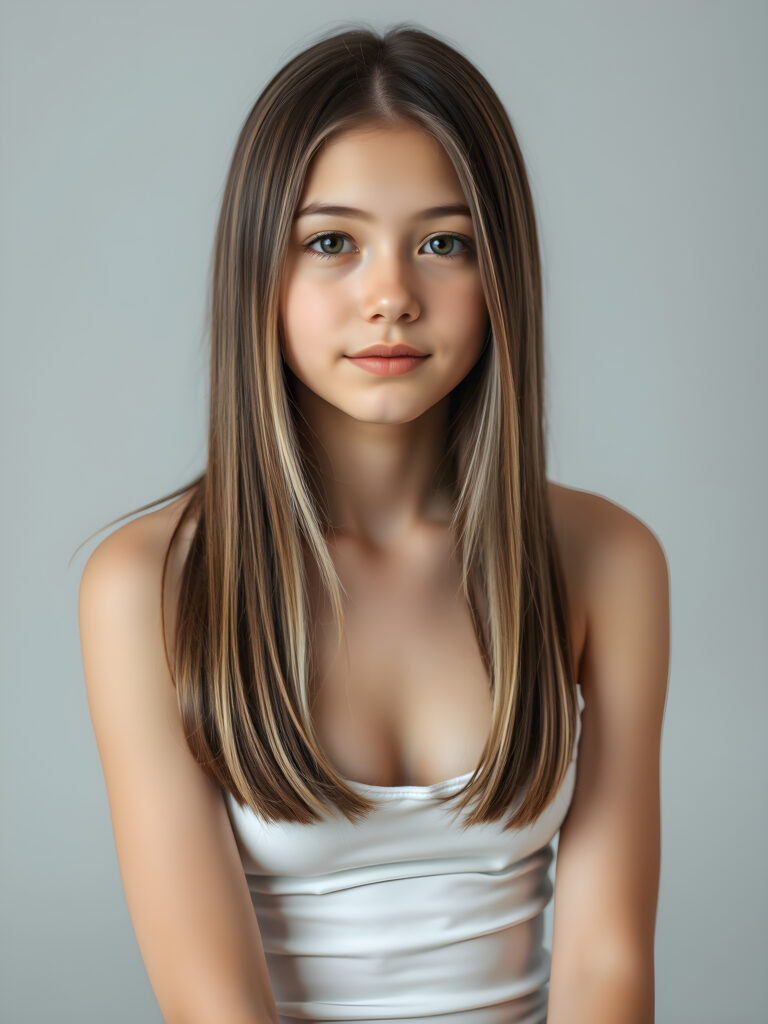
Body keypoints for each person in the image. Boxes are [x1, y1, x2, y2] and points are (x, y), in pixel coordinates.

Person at [77, 23, 670, 1024]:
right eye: (331, 242)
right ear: (258, 271)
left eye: (444, 243)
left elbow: (608, 967)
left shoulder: (606, 560)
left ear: (501, 277)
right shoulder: (148, 586)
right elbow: (212, 1002)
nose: (391, 296)